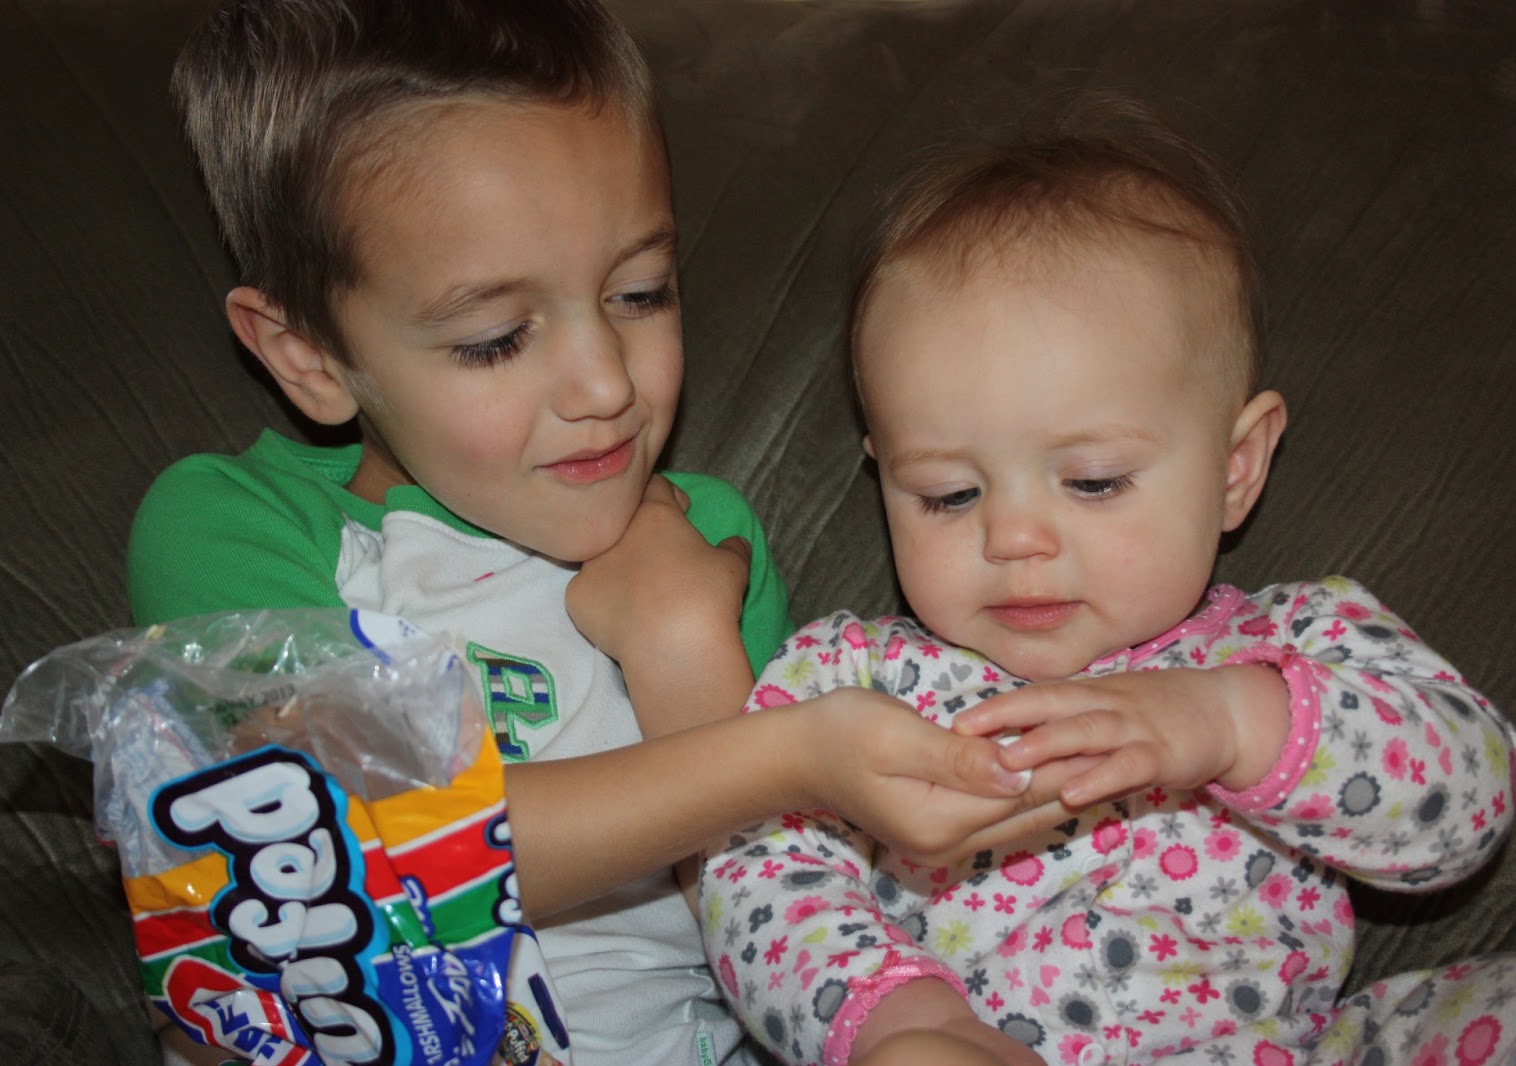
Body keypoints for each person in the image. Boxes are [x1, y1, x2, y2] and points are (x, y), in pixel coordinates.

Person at [127, 3, 1068, 1064]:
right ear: (308, 356)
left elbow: (785, 913)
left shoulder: (703, 540)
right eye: (497, 339)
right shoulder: (233, 528)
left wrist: (682, 646)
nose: (606, 385)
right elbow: (366, 862)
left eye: (640, 293)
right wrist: (782, 753)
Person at [699, 98, 1516, 1066]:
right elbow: (751, 867)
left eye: (1093, 482)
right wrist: (906, 1023)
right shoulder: (854, 682)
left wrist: (1234, 722)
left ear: (1235, 468)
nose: (1014, 538)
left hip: (1289, 1048)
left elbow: (1469, 800)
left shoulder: (1297, 644)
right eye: (949, 494)